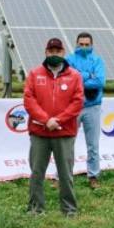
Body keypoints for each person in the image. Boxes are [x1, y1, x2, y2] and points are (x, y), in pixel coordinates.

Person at [24, 38, 84, 217]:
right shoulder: (35, 74)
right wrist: (45, 120)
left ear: (63, 52)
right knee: (36, 172)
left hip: (64, 132)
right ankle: (36, 209)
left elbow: (77, 102)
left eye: (58, 51)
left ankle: (69, 210)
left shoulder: (74, 76)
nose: (54, 54)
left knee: (65, 174)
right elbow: (29, 100)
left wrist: (58, 120)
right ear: (46, 52)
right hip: (39, 132)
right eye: (51, 51)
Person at [65, 32, 106, 189]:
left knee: (93, 144)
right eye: (81, 44)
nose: (83, 47)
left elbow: (100, 81)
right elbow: (68, 80)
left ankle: (93, 175)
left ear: (91, 45)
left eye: (86, 44)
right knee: (67, 143)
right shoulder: (69, 59)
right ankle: (63, 175)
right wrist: (89, 75)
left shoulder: (97, 60)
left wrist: (78, 77)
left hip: (92, 107)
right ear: (76, 44)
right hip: (72, 107)